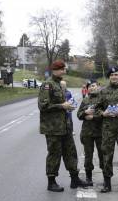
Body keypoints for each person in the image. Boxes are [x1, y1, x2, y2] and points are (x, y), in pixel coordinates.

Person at [38, 59, 89, 192]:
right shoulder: (47, 85)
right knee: (54, 154)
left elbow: (61, 105)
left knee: (70, 152)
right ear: (56, 70)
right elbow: (43, 106)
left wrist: (67, 107)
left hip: (65, 126)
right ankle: (51, 181)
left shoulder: (59, 84)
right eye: (63, 69)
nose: (65, 71)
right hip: (53, 128)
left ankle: (74, 179)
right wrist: (62, 106)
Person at [77, 80, 104, 186]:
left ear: (98, 86)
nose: (92, 88)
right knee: (88, 155)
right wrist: (85, 113)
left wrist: (94, 116)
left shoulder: (103, 99)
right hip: (87, 133)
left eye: (94, 86)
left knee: (103, 155)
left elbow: (107, 113)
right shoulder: (85, 100)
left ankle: (106, 178)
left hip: (100, 132)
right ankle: (89, 178)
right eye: (90, 87)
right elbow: (79, 114)